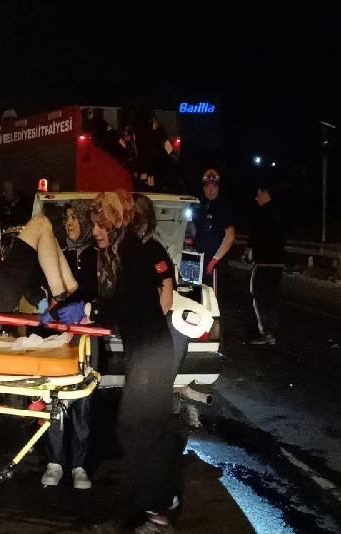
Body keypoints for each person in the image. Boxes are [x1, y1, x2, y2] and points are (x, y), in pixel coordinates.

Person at [90, 191, 179, 533]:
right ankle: (158, 502)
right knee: (145, 428)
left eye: (102, 224)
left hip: (151, 353)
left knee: (139, 428)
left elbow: (133, 304)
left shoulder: (136, 253)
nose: (96, 231)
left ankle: (146, 510)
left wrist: (93, 310)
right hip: (146, 351)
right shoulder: (122, 252)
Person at [41, 201, 97, 490]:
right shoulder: (59, 252)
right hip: (60, 335)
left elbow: (102, 291)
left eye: (75, 217)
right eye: (66, 219)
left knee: (83, 399)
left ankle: (79, 465)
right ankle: (55, 461)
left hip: (86, 335)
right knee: (57, 395)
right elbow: (44, 285)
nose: (69, 223)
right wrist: (46, 307)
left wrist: (85, 309)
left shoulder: (98, 255)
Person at [248, 185, 285, 346]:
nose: (256, 198)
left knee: (259, 296)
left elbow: (255, 237)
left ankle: (265, 331)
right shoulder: (280, 212)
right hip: (277, 264)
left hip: (263, 263)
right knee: (272, 298)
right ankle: (272, 332)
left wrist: (250, 251)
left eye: (258, 194)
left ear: (264, 193)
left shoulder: (261, 213)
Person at [194, 169, 235, 300]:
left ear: (218, 187)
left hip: (215, 267)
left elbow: (230, 236)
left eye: (214, 186)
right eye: (207, 186)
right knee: (198, 301)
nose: (211, 190)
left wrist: (214, 261)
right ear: (203, 188)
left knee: (212, 302)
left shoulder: (223, 207)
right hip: (200, 264)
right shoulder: (200, 206)